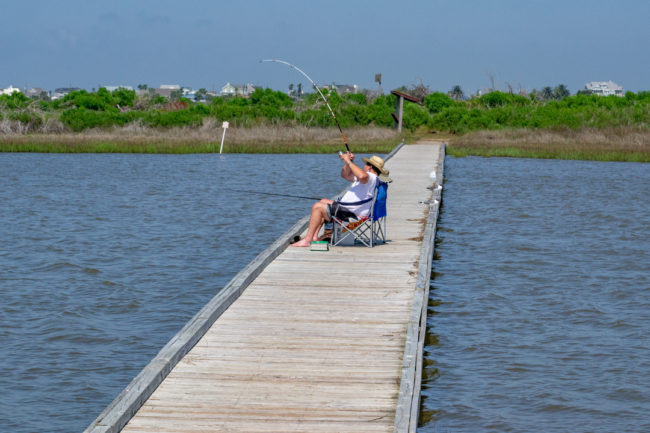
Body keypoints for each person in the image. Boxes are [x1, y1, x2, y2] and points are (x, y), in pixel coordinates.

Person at [291, 152, 388, 247]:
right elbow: (345, 175)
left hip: (352, 214)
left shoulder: (370, 177)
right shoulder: (368, 180)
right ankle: (314, 237)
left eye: (366, 164)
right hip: (349, 209)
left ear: (370, 167)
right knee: (323, 201)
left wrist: (348, 161)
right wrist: (348, 162)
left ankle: (307, 240)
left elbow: (362, 175)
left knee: (317, 207)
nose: (364, 166)